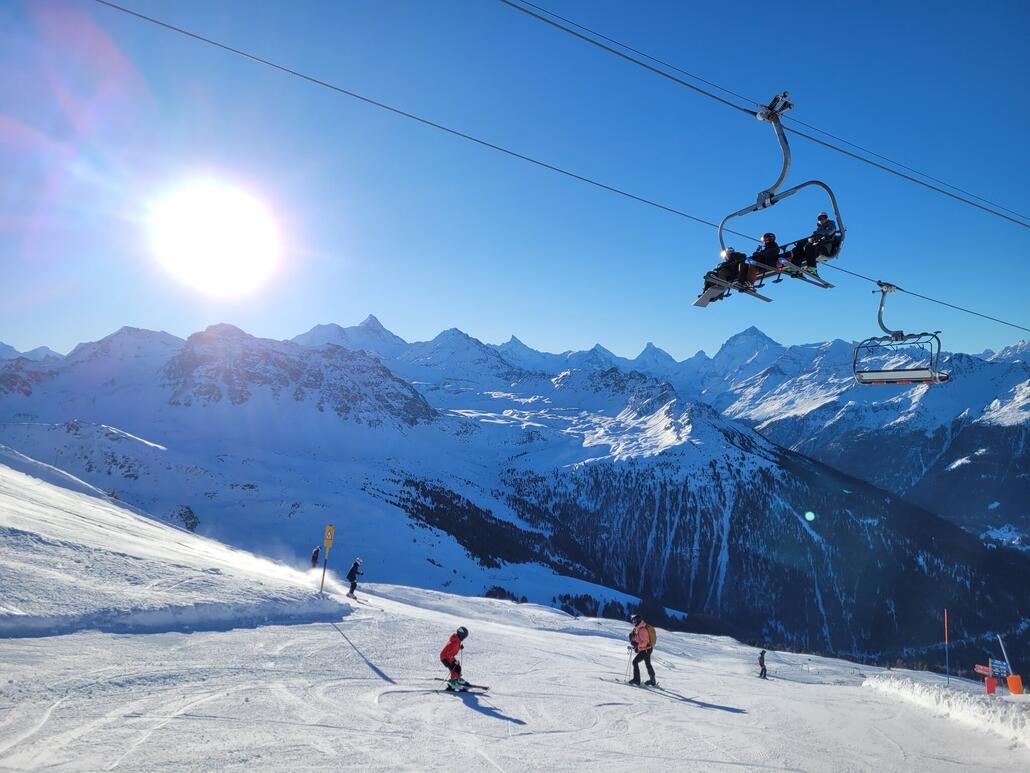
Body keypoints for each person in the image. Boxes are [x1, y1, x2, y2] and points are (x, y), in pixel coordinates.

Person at [628, 614, 657, 686]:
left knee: (635, 662)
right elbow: (640, 639)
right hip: (647, 649)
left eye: (635, 620)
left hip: (646, 650)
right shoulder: (639, 628)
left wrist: (636, 645)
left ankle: (637, 680)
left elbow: (644, 642)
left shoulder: (642, 629)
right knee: (648, 664)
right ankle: (652, 680)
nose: (633, 622)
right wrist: (635, 641)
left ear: (638, 620)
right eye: (633, 621)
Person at [440, 626, 469, 690]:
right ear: (461, 635)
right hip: (446, 657)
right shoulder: (455, 642)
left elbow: (451, 649)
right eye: (464, 637)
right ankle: (453, 682)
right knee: (454, 668)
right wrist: (452, 661)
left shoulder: (456, 640)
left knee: (457, 667)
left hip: (447, 656)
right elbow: (449, 652)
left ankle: (457, 679)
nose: (464, 638)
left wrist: (459, 647)